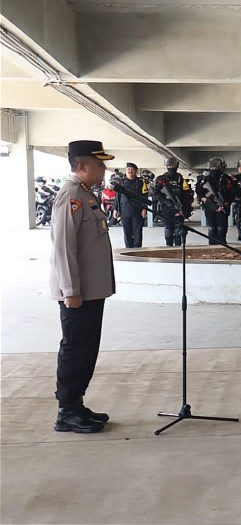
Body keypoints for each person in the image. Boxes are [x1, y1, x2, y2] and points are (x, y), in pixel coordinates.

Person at [49, 140, 116, 433]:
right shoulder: (71, 196)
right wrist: (70, 290)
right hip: (78, 293)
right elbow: (63, 247)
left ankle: (76, 403)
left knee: (87, 349)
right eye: (99, 163)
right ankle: (66, 411)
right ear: (81, 165)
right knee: (75, 349)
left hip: (91, 291)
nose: (103, 168)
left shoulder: (86, 195)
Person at [196, 156, 235, 244]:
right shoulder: (204, 179)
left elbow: (232, 194)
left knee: (221, 229)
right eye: (212, 167)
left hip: (222, 208)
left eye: (216, 167)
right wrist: (209, 202)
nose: (214, 169)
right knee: (212, 229)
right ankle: (212, 246)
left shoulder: (227, 179)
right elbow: (199, 194)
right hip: (209, 207)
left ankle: (221, 246)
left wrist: (225, 204)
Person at [154, 157, 192, 246]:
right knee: (168, 229)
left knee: (179, 230)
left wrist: (185, 209)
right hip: (166, 208)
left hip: (179, 207)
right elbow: (156, 193)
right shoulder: (161, 179)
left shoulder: (181, 179)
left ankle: (178, 248)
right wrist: (165, 201)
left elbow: (187, 194)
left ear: (177, 166)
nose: (171, 167)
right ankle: (168, 247)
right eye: (169, 166)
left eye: (173, 166)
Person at [114, 162, 147, 248]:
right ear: (125, 170)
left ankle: (137, 250)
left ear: (136, 171)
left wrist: (144, 208)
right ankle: (128, 249)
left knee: (137, 231)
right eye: (128, 169)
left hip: (138, 210)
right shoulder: (121, 182)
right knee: (127, 231)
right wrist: (115, 209)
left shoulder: (140, 182)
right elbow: (117, 197)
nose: (130, 170)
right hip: (124, 210)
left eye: (132, 169)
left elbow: (145, 196)